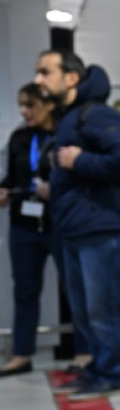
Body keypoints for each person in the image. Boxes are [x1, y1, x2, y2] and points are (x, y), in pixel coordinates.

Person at [34, 50, 120, 401]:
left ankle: (115, 373)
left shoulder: (95, 114)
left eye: (45, 72)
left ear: (71, 78)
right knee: (86, 310)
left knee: (105, 306)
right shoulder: (70, 118)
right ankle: (99, 368)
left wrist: (81, 160)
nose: (39, 80)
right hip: (78, 227)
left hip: (103, 226)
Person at [0, 83, 74, 376]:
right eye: (21, 105)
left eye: (30, 105)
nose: (24, 111)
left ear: (48, 105)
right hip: (24, 226)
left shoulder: (64, 137)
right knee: (25, 291)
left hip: (59, 224)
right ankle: (21, 354)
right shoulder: (19, 138)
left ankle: (83, 351)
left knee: (74, 289)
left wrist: (54, 189)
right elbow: (11, 177)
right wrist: (4, 192)